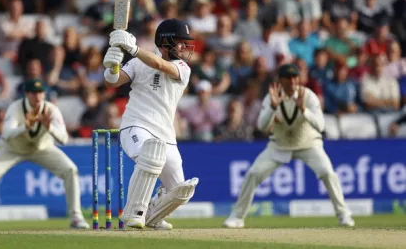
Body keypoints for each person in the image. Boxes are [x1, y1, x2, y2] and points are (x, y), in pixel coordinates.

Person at [222, 64, 355, 228]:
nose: (292, 81)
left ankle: (344, 215)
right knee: (253, 174)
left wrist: (303, 110)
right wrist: (272, 107)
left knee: (327, 172)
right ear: (281, 80)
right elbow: (262, 126)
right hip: (279, 145)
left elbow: (320, 125)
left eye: (295, 77)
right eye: (288, 78)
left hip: (308, 144)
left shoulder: (309, 96)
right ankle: (237, 217)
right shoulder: (272, 97)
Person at [102, 18, 200, 230]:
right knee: (150, 156)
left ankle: (151, 216)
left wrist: (133, 48)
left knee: (180, 190)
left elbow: (159, 64)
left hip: (165, 134)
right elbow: (113, 81)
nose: (184, 47)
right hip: (135, 126)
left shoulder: (183, 68)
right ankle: (133, 212)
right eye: (180, 42)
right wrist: (112, 66)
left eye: (185, 43)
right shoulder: (138, 62)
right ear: (165, 42)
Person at [0, 78, 89, 230]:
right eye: (34, 93)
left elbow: (64, 139)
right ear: (26, 94)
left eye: (41, 92)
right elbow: (6, 134)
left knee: (70, 170)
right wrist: (25, 127)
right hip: (12, 149)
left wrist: (50, 127)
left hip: (42, 149)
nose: (38, 97)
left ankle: (76, 217)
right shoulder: (15, 108)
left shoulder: (51, 110)